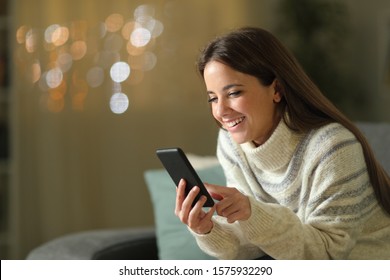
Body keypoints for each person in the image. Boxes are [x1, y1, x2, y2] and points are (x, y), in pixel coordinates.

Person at [174, 27, 390, 260]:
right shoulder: (230, 142)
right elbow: (247, 247)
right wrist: (206, 229)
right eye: (213, 98)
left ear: (276, 89)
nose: (220, 111)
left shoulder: (333, 148)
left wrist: (253, 213)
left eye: (234, 93)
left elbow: (328, 255)